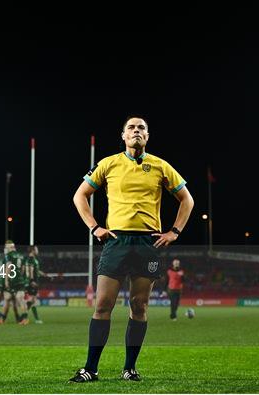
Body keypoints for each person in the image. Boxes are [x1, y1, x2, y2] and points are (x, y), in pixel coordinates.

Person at [69, 116, 194, 382]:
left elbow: (187, 199)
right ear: (123, 136)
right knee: (103, 304)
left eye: (141, 128)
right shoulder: (108, 164)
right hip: (116, 241)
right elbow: (79, 195)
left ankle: (130, 368)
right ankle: (90, 368)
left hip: (147, 243)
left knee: (139, 305)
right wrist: (94, 227)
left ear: (147, 136)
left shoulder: (160, 166)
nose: (136, 131)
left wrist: (174, 231)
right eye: (131, 128)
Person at [3, 241, 29, 325]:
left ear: (11, 247)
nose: (6, 249)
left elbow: (9, 267)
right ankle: (24, 318)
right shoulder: (21, 256)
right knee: (20, 298)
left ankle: (3, 318)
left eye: (7, 247)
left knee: (8, 298)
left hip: (12, 280)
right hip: (20, 279)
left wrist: (6, 279)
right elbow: (23, 269)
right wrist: (20, 276)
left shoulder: (9, 255)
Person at [25, 245, 45, 324]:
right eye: (36, 249)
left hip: (34, 281)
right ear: (33, 250)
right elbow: (30, 270)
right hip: (32, 282)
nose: (37, 251)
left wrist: (42, 273)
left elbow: (35, 269)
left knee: (33, 300)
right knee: (32, 300)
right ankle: (25, 317)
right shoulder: (30, 259)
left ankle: (26, 317)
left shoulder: (34, 259)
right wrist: (32, 280)